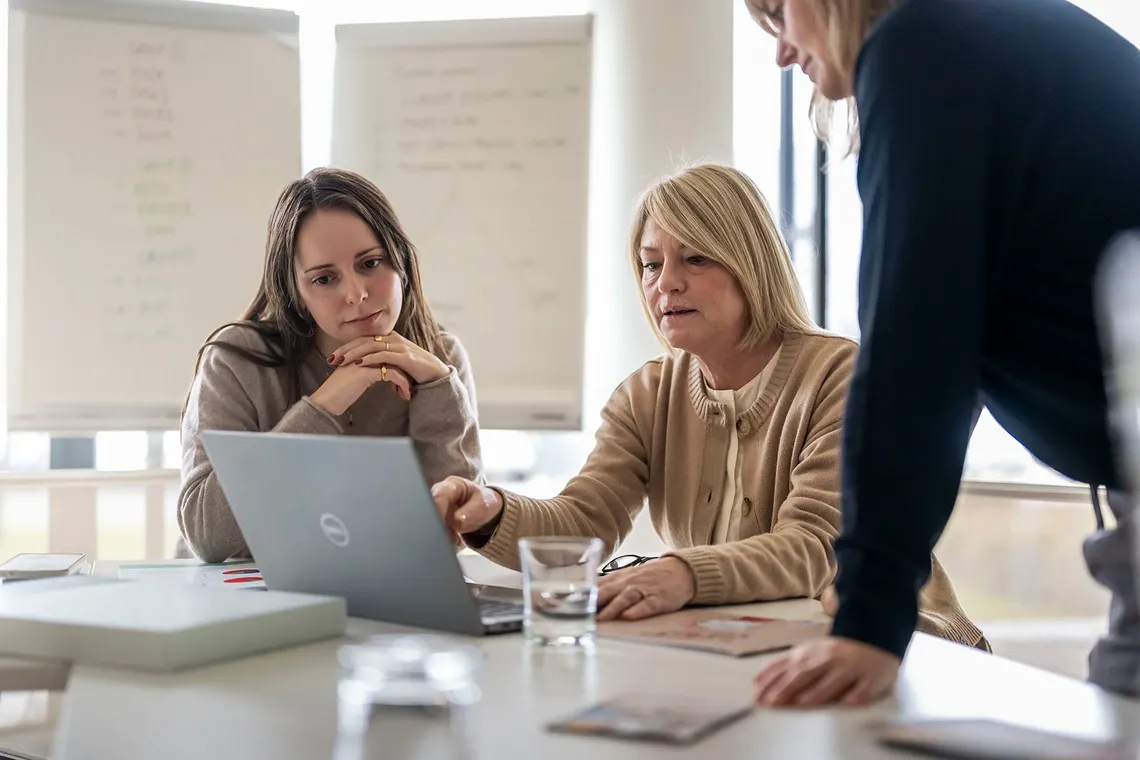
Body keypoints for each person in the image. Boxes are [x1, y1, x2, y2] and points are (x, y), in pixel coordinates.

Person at [747, 0, 1140, 707]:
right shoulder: (981, 36)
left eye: (779, 12)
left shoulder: (922, 48)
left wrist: (870, 617)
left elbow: (916, 348)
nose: (781, 51)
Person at [431, 163, 983, 648]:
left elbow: (818, 548)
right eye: (650, 265)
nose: (666, 283)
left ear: (751, 265)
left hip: (902, 646)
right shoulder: (646, 394)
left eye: (695, 259)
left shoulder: (840, 374)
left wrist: (683, 574)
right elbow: (582, 524)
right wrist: (491, 510)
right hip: (756, 648)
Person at [177, 167, 483, 563]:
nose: (356, 294)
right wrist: (324, 405)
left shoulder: (439, 359)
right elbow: (209, 537)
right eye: (324, 279)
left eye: (371, 263)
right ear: (296, 292)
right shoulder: (235, 360)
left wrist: (441, 391)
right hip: (238, 592)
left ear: (401, 261)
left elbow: (453, 532)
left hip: (376, 589)